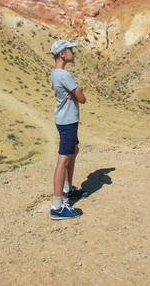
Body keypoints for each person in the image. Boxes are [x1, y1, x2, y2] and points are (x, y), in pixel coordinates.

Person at [50, 39, 88, 220]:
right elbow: (82, 99)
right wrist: (78, 89)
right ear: (62, 54)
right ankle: (57, 207)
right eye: (70, 50)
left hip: (65, 120)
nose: (73, 52)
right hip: (67, 121)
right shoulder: (65, 75)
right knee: (63, 160)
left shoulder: (55, 74)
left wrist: (74, 92)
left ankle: (67, 190)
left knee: (73, 151)